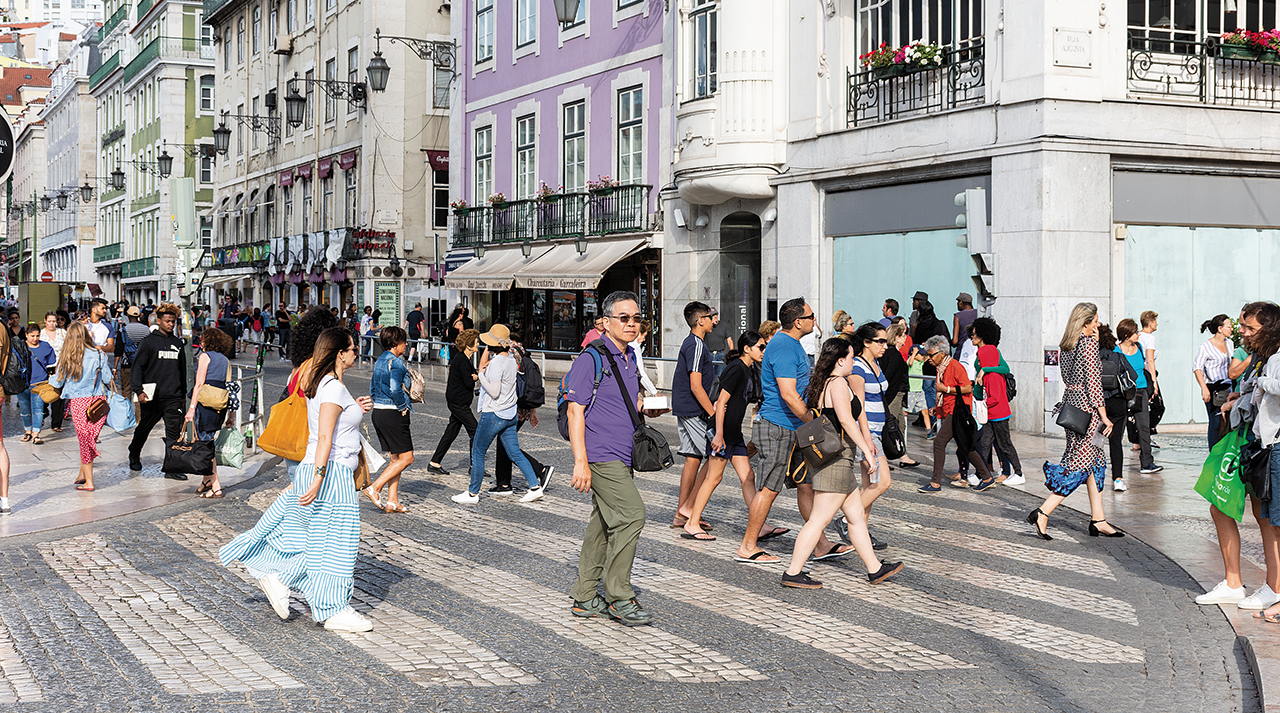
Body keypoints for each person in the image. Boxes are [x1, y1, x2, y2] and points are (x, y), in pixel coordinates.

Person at [220, 327, 375, 632]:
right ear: (339, 354)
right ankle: (331, 609)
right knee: (338, 543)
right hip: (331, 473)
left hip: (327, 470)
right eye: (353, 349)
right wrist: (317, 478)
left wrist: (355, 408)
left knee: (319, 539)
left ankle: (292, 584)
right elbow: (325, 436)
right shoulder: (330, 387)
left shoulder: (327, 384)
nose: (357, 353)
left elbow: (332, 427)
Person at [567, 290, 667, 626]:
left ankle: (584, 595)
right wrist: (581, 461)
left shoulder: (629, 357)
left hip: (624, 453)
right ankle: (619, 595)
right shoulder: (590, 358)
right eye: (623, 318)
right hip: (600, 453)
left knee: (602, 522)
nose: (631, 323)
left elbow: (627, 401)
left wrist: (647, 409)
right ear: (605, 322)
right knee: (632, 515)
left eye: (636, 318)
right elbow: (575, 411)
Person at [734, 297, 851, 565]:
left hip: (794, 427)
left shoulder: (792, 344)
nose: (814, 321)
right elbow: (788, 394)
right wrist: (812, 419)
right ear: (798, 322)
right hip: (779, 426)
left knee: (806, 484)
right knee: (769, 488)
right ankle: (748, 546)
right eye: (811, 317)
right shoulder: (785, 348)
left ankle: (820, 545)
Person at [781, 338, 904, 589]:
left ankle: (875, 569)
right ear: (840, 360)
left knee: (856, 517)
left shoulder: (825, 382)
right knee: (818, 520)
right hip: (836, 459)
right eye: (850, 357)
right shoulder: (837, 383)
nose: (853, 360)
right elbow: (847, 422)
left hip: (838, 458)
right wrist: (868, 452)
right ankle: (793, 572)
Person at [1027, 303, 1124, 540]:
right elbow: (1094, 383)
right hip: (1089, 411)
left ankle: (1098, 519)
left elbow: (1070, 379)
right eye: (1096, 321)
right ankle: (1043, 511)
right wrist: (1104, 416)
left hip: (1071, 407)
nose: (1099, 325)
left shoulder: (1066, 345)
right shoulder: (1088, 343)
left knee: (1094, 461)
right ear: (1085, 323)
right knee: (1080, 463)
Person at [681, 331, 788, 542]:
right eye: (760, 347)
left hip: (733, 432)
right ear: (747, 348)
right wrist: (719, 435)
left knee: (748, 477)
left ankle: (760, 525)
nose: (763, 351)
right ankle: (692, 522)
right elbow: (720, 402)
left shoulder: (748, 369)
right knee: (713, 477)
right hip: (722, 431)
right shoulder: (737, 368)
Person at [451, 324, 545, 504]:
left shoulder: (496, 363)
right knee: (515, 452)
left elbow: (493, 391)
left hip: (494, 413)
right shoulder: (511, 359)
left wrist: (481, 375)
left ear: (493, 344)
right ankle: (534, 487)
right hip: (510, 414)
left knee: (478, 452)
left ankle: (472, 493)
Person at [919, 334, 995, 492]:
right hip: (950, 411)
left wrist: (945, 389)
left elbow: (967, 388)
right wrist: (937, 408)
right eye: (927, 355)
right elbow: (945, 395)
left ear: (942, 353)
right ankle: (987, 477)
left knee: (939, 443)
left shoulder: (954, 366)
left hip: (958, 412)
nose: (929, 358)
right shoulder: (941, 369)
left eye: (931, 355)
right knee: (965, 447)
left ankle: (935, 483)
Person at [842, 323, 894, 545]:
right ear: (866, 342)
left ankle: (859, 533)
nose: (885, 345)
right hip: (868, 432)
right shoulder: (858, 368)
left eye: (886, 341)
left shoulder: (876, 364)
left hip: (878, 430)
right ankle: (846, 521)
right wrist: (866, 438)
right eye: (880, 341)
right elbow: (859, 406)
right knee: (882, 482)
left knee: (869, 486)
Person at [50, 322, 113, 492]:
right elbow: (107, 379)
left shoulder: (67, 356)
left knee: (85, 441)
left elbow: (58, 381)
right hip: (97, 403)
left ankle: (89, 482)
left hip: (79, 402)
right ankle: (82, 474)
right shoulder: (99, 354)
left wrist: (48, 380)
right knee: (87, 439)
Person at [128, 304, 188, 476]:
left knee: (173, 433)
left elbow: (182, 370)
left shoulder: (178, 343)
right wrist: (138, 391)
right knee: (144, 429)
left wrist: (183, 394)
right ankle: (134, 453)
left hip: (173, 396)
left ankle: (172, 468)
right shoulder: (148, 342)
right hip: (152, 396)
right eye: (167, 321)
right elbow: (137, 368)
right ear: (159, 321)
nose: (170, 324)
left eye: (173, 321)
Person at [671, 302, 715, 529]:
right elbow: (696, 385)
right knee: (715, 455)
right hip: (693, 408)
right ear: (700, 320)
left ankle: (682, 513)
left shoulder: (692, 343)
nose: (713, 320)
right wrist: (713, 412)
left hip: (684, 406)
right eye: (710, 316)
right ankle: (689, 508)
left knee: (693, 458)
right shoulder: (696, 345)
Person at [493, 335, 553, 494]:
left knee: (506, 443)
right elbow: (525, 383)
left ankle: (540, 469)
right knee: (504, 442)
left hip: (513, 407)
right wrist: (532, 411)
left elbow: (512, 381)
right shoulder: (521, 350)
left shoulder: (511, 353)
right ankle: (504, 483)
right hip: (523, 407)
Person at [366, 326, 415, 512]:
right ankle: (375, 487)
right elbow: (395, 389)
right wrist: (402, 407)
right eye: (403, 341)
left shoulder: (379, 361)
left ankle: (392, 501)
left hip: (378, 412)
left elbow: (372, 387)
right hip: (393, 412)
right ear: (395, 344)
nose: (406, 345)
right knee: (408, 458)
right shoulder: (396, 363)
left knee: (396, 460)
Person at [187, 327, 233, 498]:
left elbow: (199, 384)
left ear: (208, 341)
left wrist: (191, 409)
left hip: (205, 404)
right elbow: (230, 388)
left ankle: (216, 485)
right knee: (209, 439)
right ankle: (206, 480)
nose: (201, 343)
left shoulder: (205, 357)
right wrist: (231, 415)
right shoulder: (225, 360)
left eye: (203, 340)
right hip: (220, 404)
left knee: (206, 445)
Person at [429, 329, 480, 476]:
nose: (478, 344)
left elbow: (471, 376)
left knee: (451, 432)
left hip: (459, 401)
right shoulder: (461, 360)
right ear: (469, 345)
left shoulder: (464, 358)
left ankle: (434, 462)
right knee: (475, 431)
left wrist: (474, 376)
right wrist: (475, 378)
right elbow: (469, 382)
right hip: (458, 402)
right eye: (476, 342)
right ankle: (474, 466)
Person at [1116, 318, 1161, 474]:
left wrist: (1152, 385)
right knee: (1119, 430)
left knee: (1144, 428)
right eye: (1135, 332)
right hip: (1122, 395)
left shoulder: (1140, 347)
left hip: (1141, 392)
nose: (1138, 334)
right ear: (1127, 334)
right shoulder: (1116, 351)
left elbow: (1143, 367)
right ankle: (1117, 469)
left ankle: (1147, 463)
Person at [1098, 325, 1137, 492]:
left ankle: (1095, 477)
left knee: (1095, 443)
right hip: (1118, 402)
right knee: (1116, 443)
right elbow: (1133, 376)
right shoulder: (1118, 356)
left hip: (1099, 404)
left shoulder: (1093, 357)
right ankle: (1118, 479)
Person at [879, 320, 917, 467]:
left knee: (900, 425)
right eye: (902, 336)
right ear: (895, 337)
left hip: (898, 395)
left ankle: (903, 455)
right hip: (894, 395)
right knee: (890, 425)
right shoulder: (893, 354)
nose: (905, 338)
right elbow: (888, 377)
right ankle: (882, 457)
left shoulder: (892, 353)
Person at [1195, 314, 1235, 448]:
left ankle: (1226, 449)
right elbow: (1197, 368)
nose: (1231, 329)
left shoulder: (1230, 343)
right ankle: (1213, 452)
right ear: (1220, 328)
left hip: (1230, 387)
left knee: (1228, 421)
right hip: (1214, 389)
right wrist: (1204, 388)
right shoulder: (1206, 346)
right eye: (1229, 326)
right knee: (1216, 421)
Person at [19, 325, 55, 444]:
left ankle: (36, 434)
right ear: (26, 335)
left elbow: (52, 364)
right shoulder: (20, 347)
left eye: (37, 335)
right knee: (25, 409)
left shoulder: (45, 346)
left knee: (38, 409)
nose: (35, 338)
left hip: (40, 383)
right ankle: (27, 431)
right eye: (32, 336)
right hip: (22, 383)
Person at [1136, 310, 1161, 449]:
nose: (1157, 324)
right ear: (1151, 323)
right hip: (1147, 375)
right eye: (1155, 321)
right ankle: (1145, 436)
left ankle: (1137, 441)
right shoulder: (1150, 338)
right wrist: (1154, 382)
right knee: (1158, 406)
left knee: (1139, 406)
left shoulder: (1137, 335)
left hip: (1138, 374)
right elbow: (1150, 360)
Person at [115, 306, 150, 401]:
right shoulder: (146, 329)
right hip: (142, 364)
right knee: (141, 392)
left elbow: (118, 350)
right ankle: (139, 415)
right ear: (139, 315)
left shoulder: (123, 330)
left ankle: (127, 414)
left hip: (126, 364)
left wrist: (115, 368)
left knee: (126, 390)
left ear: (128, 315)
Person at [40, 312, 67, 433]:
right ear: (45, 321)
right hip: (44, 367)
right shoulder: (40, 334)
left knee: (58, 395)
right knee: (44, 392)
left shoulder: (62, 333)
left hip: (59, 367)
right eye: (50, 321)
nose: (52, 323)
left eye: (54, 321)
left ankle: (56, 423)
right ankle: (42, 414)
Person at [629, 319, 659, 396]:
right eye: (644, 336)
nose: (644, 339)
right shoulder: (634, 348)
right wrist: (655, 393)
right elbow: (641, 373)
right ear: (639, 333)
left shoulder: (628, 344)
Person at [704, 307, 734, 373]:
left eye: (716, 315)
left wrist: (731, 353)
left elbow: (729, 340)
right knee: (708, 373)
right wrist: (710, 323)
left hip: (720, 353)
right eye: (713, 316)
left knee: (720, 373)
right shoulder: (706, 326)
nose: (715, 317)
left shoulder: (723, 325)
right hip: (709, 353)